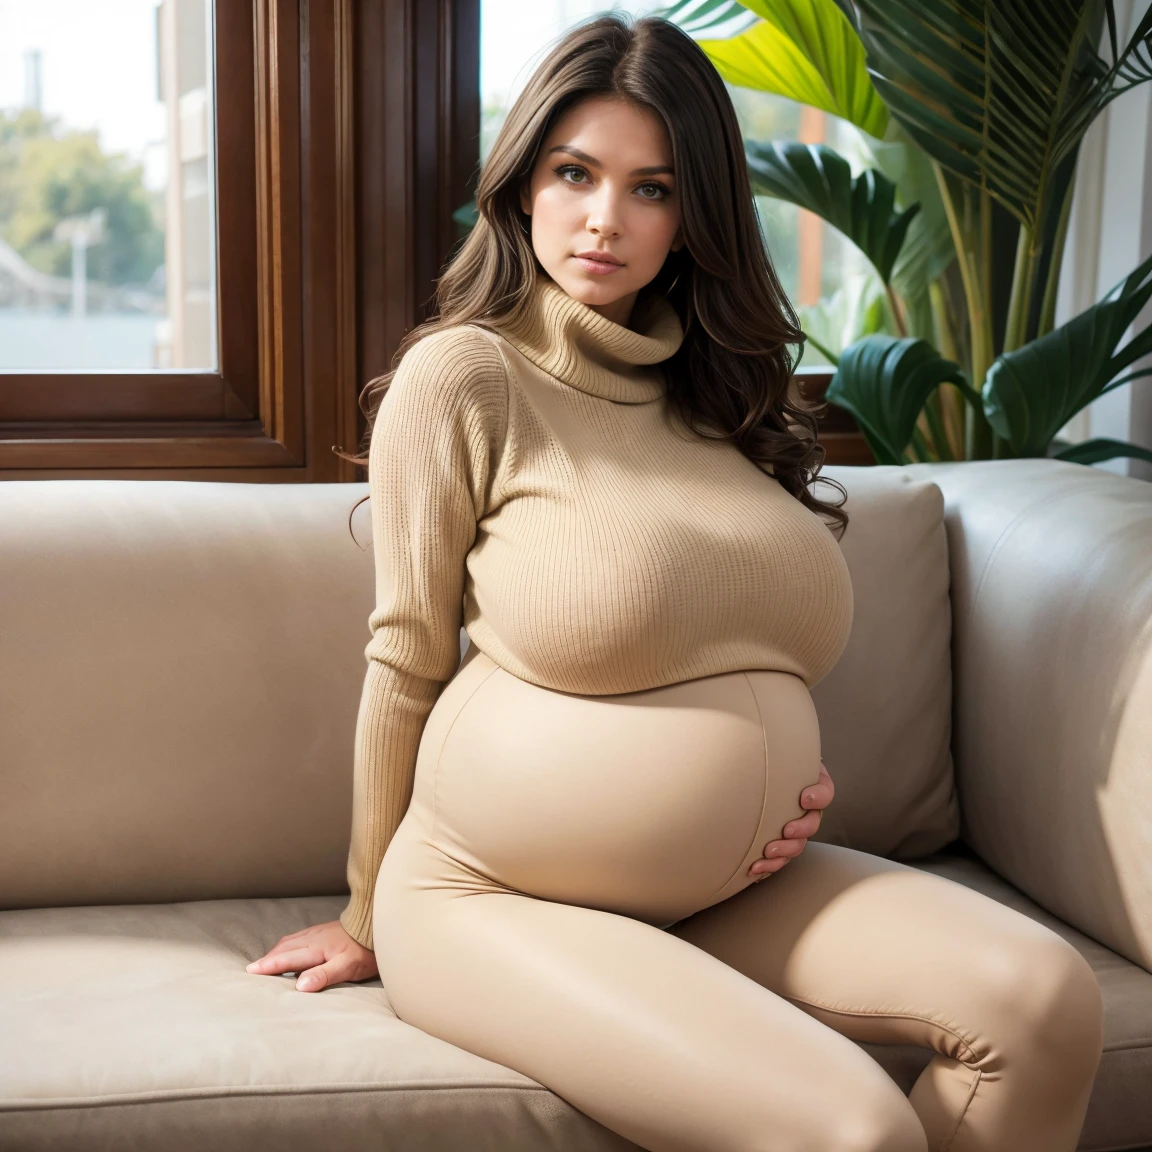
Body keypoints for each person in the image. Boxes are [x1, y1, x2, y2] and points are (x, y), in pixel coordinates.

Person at [246, 13, 1104, 1150]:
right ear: (521, 184)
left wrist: (758, 788)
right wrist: (365, 912)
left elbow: (737, 651)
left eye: (651, 189)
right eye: (574, 173)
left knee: (1046, 1005)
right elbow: (405, 658)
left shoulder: (727, 403)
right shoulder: (467, 376)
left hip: (728, 888)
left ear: (693, 215)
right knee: (854, 1130)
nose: (605, 219)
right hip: (492, 895)